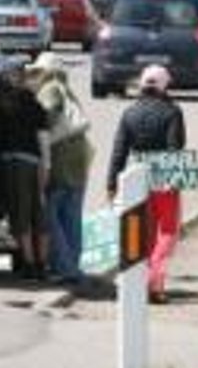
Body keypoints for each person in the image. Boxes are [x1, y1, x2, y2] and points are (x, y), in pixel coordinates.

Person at [106, 65, 186, 304]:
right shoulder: (172, 112)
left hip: (136, 177)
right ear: (165, 86)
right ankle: (155, 283)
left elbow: (119, 151)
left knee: (144, 233)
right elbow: (176, 147)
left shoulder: (130, 113)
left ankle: (139, 281)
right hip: (164, 176)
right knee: (167, 231)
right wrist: (176, 179)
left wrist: (111, 184)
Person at [27, 52, 93, 284]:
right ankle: (72, 266)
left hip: (61, 158)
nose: (33, 77)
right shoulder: (69, 91)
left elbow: (48, 117)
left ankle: (65, 268)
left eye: (36, 72)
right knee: (71, 217)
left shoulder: (51, 89)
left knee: (51, 215)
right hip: (78, 159)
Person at [0, 63, 51, 280]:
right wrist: (46, 166)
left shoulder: (0, 104)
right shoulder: (35, 104)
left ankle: (28, 263)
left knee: (21, 215)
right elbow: (43, 138)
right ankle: (42, 265)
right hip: (35, 162)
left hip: (13, 164)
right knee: (40, 214)